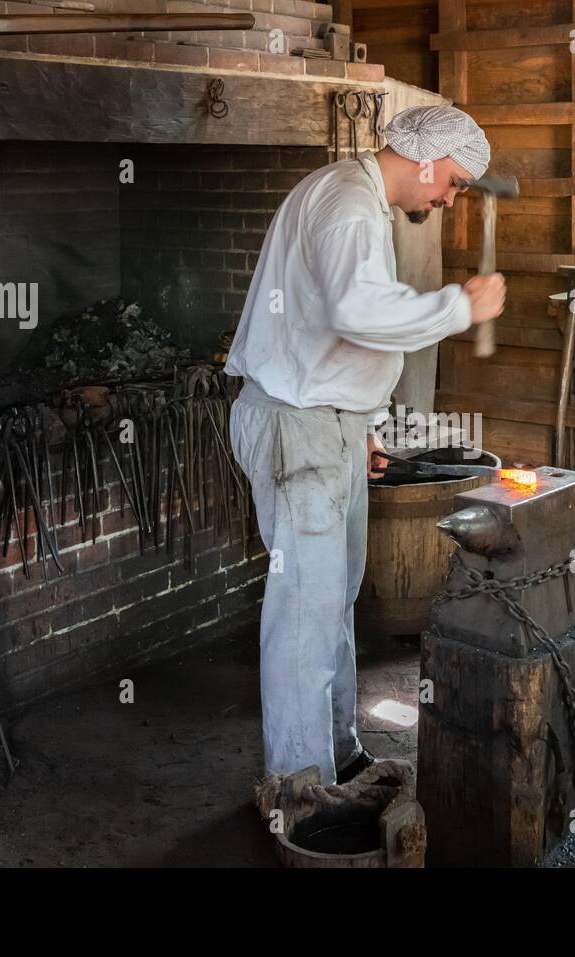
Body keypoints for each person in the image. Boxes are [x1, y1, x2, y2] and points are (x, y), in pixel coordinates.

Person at [225, 105, 506, 785]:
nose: (448, 199)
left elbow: (334, 322)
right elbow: (358, 310)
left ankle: (338, 752)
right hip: (299, 426)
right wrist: (458, 307)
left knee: (335, 596)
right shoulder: (349, 205)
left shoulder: (356, 201)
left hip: (331, 425)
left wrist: (365, 421)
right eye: (454, 184)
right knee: (306, 610)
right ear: (427, 160)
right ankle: (299, 788)